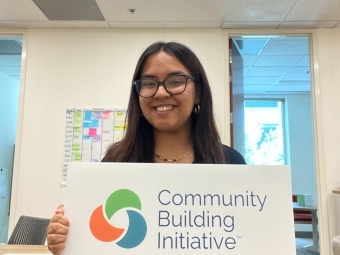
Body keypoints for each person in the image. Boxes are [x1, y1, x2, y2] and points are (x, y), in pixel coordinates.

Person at [46, 41, 246, 254]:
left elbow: (246, 239)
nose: (160, 93)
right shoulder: (116, 162)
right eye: (149, 83)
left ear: (198, 93)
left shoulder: (230, 162)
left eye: (176, 80)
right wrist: (67, 239)